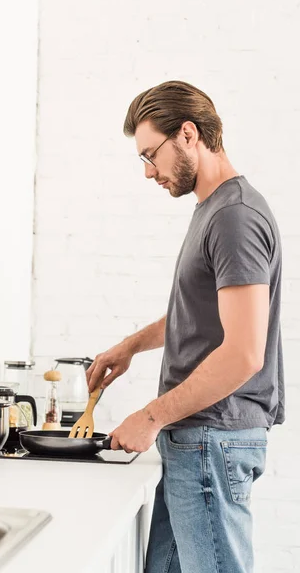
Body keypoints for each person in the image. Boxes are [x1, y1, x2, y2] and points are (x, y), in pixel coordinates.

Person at [85, 80, 284, 573]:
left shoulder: (234, 216)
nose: (149, 172)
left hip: (211, 441)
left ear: (189, 134)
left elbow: (244, 354)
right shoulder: (213, 209)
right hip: (196, 441)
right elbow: (200, 316)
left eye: (152, 154)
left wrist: (151, 417)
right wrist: (131, 346)